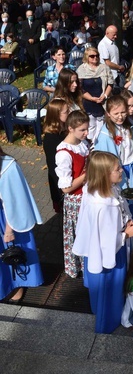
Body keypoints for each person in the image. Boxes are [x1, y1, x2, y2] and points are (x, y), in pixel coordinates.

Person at [72, 151, 133, 333]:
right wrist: (127, 234)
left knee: (101, 293)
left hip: (99, 251)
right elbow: (106, 242)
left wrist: (126, 221)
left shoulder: (99, 189)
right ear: (105, 174)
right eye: (117, 169)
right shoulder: (104, 205)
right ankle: (108, 324)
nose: (122, 171)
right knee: (109, 291)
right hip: (109, 256)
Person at [0, 147, 43, 303]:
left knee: (12, 254)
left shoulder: (7, 167)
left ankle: (17, 285)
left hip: (6, 220)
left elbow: (15, 202)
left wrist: (9, 230)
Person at [94, 95, 133, 223]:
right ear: (108, 114)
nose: (120, 116)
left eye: (123, 112)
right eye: (116, 113)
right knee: (124, 206)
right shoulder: (106, 134)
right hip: (119, 173)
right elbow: (104, 161)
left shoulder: (130, 125)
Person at [55, 110, 90, 278]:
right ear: (70, 128)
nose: (86, 133)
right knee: (79, 235)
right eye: (82, 130)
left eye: (87, 129)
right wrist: (86, 176)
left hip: (87, 196)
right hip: (76, 200)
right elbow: (66, 188)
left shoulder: (82, 144)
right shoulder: (63, 153)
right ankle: (79, 267)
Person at [77, 47, 113, 142]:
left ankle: (101, 144)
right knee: (91, 126)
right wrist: (92, 98)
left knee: (102, 126)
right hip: (88, 103)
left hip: (103, 102)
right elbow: (80, 88)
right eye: (92, 56)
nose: (95, 58)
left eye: (97, 56)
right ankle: (92, 145)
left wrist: (105, 96)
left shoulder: (104, 68)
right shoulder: (81, 69)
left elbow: (110, 83)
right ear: (87, 57)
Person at [43, 99, 69, 213]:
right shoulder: (51, 139)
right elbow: (53, 166)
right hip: (60, 182)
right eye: (66, 112)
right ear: (56, 115)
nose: (69, 113)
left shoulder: (64, 129)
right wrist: (61, 189)